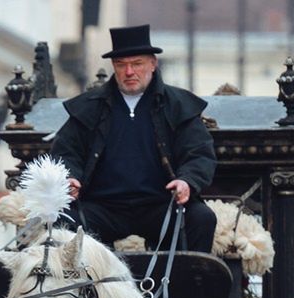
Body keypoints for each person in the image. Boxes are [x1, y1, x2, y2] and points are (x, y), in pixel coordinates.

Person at [50, 24, 217, 253]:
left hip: (161, 204)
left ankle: (188, 288)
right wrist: (70, 178)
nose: (129, 72)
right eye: (121, 65)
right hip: (101, 206)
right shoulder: (90, 106)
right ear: (114, 67)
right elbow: (66, 151)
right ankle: (77, 289)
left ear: (152, 63)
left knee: (201, 218)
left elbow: (199, 152)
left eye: (137, 63)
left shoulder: (177, 105)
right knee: (62, 220)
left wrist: (187, 181)